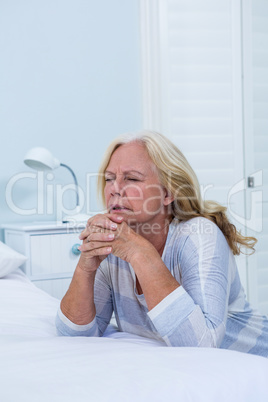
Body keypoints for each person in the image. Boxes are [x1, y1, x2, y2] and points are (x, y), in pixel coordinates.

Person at [56, 130, 268, 357]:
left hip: (254, 363)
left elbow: (204, 347)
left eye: (132, 178)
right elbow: (74, 338)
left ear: (168, 193)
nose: (114, 189)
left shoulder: (198, 234)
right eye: (109, 179)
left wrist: (140, 254)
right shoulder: (113, 241)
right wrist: (85, 267)